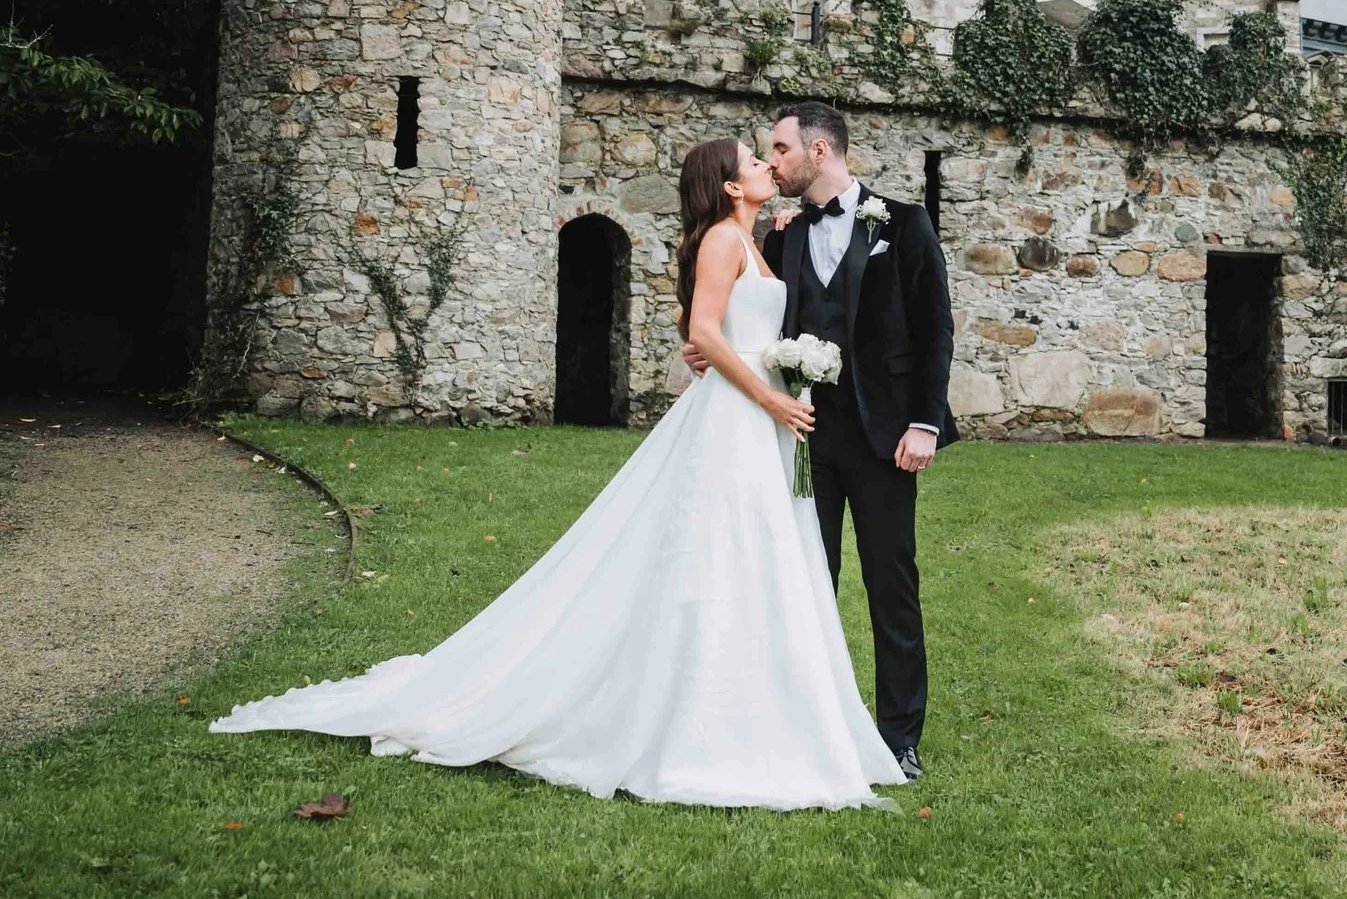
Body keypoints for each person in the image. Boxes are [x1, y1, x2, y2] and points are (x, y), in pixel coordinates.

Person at [210, 137, 904, 810]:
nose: (765, 165)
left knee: (755, 558)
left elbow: (732, 328)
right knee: (720, 552)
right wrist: (770, 394)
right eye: (754, 161)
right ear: (728, 184)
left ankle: (762, 709)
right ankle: (697, 717)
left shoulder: (756, 238)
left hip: (761, 424)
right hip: (740, 416)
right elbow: (705, 333)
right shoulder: (724, 240)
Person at [682, 100, 955, 782]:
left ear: (820, 151)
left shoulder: (905, 222)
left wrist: (925, 423)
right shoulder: (783, 237)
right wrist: (709, 353)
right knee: (805, 584)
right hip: (801, 439)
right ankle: (809, 724)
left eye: (780, 148)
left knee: (893, 586)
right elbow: (756, 322)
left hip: (888, 439)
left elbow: (935, 330)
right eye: (766, 153)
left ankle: (899, 738)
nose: (772, 161)